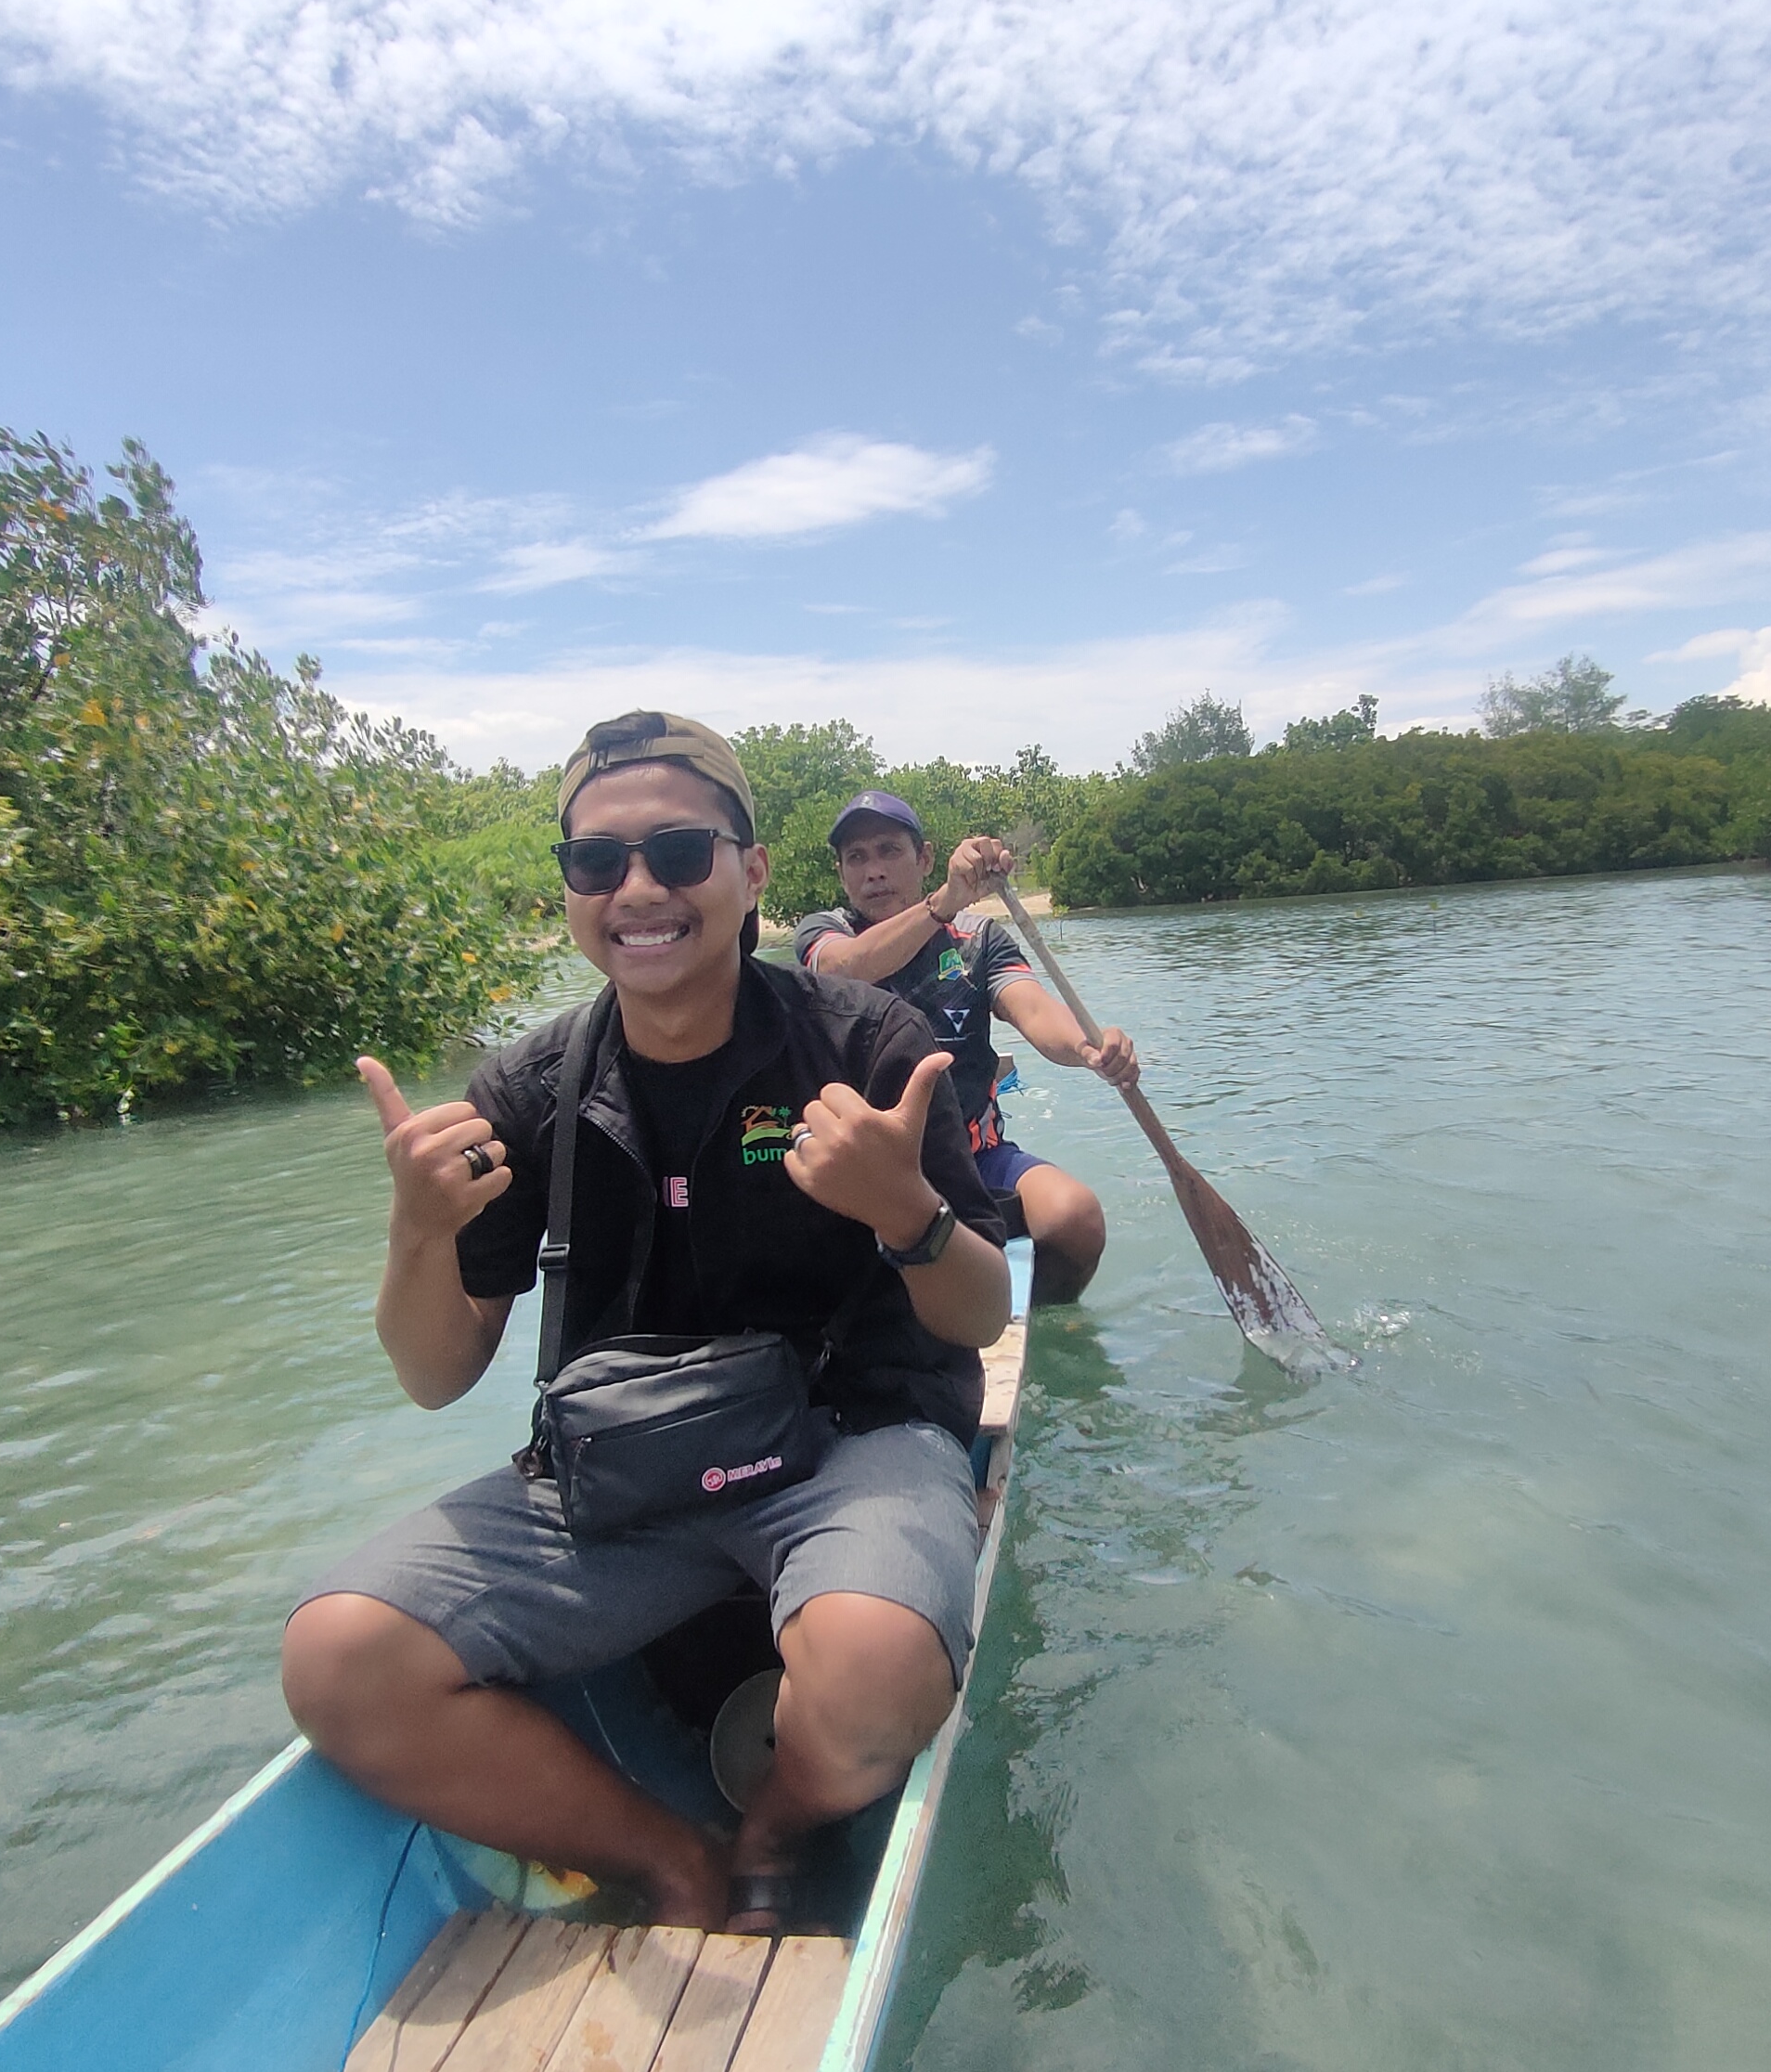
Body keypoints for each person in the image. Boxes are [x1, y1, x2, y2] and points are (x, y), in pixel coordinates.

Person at [280, 710, 1011, 1934]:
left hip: (849, 1444)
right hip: (624, 1469)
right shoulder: (528, 1089)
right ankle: (669, 1858)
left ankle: (776, 1814)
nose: (638, 890)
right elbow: (434, 1375)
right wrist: (415, 1233)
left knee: (878, 1664)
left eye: (679, 853)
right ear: (569, 887)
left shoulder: (866, 1043)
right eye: (597, 862)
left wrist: (907, 1213)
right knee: (340, 1661)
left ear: (751, 871)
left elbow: (982, 1312)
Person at [794, 790, 1141, 1305]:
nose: (874, 871)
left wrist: (1089, 1048)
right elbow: (844, 969)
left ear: (924, 859)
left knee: (1076, 1218)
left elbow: (1034, 1009)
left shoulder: (977, 940)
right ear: (842, 873)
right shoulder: (824, 933)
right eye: (857, 857)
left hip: (973, 1157)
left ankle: (1033, 1317)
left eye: (890, 851)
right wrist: (943, 902)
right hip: (862, 1167)